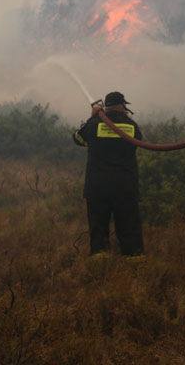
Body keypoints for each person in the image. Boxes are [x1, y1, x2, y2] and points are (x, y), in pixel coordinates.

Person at [72, 91, 145, 256]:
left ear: (106, 107)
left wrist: (92, 117)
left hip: (98, 187)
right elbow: (137, 143)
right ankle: (134, 260)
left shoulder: (94, 124)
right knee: (129, 227)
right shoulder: (131, 126)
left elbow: (77, 138)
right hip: (125, 187)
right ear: (122, 106)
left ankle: (100, 259)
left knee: (98, 227)